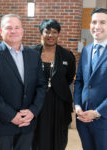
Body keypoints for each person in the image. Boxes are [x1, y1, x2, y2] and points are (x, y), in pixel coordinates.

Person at [0, 14, 46, 150]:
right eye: (8, 28)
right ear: (1, 31)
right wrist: (12, 116)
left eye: (17, 27)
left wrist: (33, 111)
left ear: (22, 31)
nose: (13, 31)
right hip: (2, 124)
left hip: (27, 123)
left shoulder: (33, 55)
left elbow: (41, 86)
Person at [31, 19, 76, 150]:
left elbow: (68, 78)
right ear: (41, 33)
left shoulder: (67, 55)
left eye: (54, 32)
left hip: (59, 103)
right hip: (36, 103)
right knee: (37, 136)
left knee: (58, 137)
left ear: (58, 34)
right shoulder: (31, 53)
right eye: (47, 32)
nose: (51, 35)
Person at [74, 8, 107, 150]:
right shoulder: (86, 50)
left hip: (104, 120)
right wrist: (77, 106)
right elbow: (80, 81)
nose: (97, 26)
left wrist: (96, 112)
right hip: (83, 120)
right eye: (94, 22)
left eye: (103, 22)